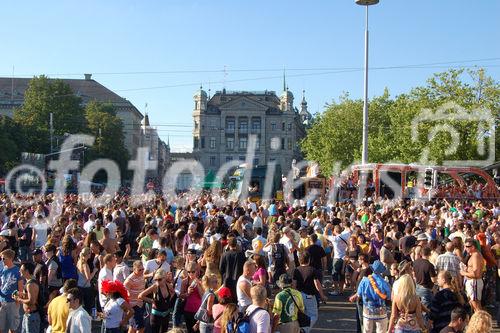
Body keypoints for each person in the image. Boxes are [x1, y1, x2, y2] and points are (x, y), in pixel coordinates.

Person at [348, 260, 391, 333]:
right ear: (381, 271)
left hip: (367, 311)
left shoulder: (365, 280)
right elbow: (389, 297)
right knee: (381, 331)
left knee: (367, 331)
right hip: (381, 311)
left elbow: (359, 294)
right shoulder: (384, 283)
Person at [292, 252, 327, 333]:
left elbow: (294, 284)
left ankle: (302, 329)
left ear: (299, 260)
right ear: (309, 260)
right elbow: (317, 284)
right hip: (309, 296)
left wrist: (293, 296)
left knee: (301, 315)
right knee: (313, 315)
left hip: (298, 295)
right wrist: (322, 295)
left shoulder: (296, 270)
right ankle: (304, 330)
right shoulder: (312, 270)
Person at [139, 269, 175, 333]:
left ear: (164, 278)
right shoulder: (154, 286)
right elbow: (140, 296)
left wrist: (168, 300)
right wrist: (151, 300)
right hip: (156, 316)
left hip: (166, 315)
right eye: (155, 279)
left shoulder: (168, 286)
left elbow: (173, 292)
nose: (157, 282)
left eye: (159, 279)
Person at [14, 262, 41, 333]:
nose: (19, 271)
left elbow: (32, 301)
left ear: (27, 271)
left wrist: (19, 299)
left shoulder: (31, 284)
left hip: (32, 316)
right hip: (27, 315)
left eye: (21, 269)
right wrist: (22, 294)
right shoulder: (28, 283)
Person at [0, 249, 23, 333]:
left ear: (10, 259)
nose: (2, 260)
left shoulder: (17, 271)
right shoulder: (2, 270)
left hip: (12, 302)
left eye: (3, 258)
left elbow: (20, 287)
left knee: (13, 328)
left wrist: (17, 301)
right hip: (2, 301)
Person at [460, 238, 485, 312]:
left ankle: (481, 322)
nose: (465, 248)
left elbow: (476, 274)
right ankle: (478, 322)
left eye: (467, 246)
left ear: (473, 247)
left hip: (474, 282)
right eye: (465, 246)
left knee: (476, 307)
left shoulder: (475, 256)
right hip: (473, 282)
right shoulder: (473, 255)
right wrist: (466, 269)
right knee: (474, 306)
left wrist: (463, 273)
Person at [181, 261, 204, 333]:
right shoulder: (184, 281)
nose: (190, 274)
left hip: (198, 310)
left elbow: (202, 297)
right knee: (190, 330)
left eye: (193, 272)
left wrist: (198, 286)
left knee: (198, 331)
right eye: (188, 272)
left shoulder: (201, 281)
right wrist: (187, 293)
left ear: (197, 271)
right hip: (188, 309)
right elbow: (181, 295)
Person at [412, 246, 437, 312]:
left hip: (417, 287)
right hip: (426, 289)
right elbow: (433, 280)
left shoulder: (415, 262)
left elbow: (414, 275)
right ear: (430, 254)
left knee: (419, 308)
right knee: (426, 310)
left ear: (421, 253)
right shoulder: (429, 265)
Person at [124, 261, 146, 333]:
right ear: (134, 269)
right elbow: (124, 291)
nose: (142, 271)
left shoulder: (141, 275)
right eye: (139, 270)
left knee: (132, 327)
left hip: (140, 304)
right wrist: (128, 294)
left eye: (143, 269)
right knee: (141, 328)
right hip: (134, 306)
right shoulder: (129, 279)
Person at [76, 247, 98, 314]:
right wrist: (94, 271)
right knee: (88, 305)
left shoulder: (79, 262)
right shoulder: (85, 264)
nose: (91, 254)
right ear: (87, 254)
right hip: (86, 287)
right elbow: (88, 278)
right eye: (90, 253)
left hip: (79, 285)